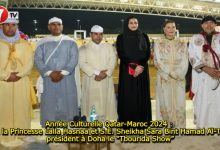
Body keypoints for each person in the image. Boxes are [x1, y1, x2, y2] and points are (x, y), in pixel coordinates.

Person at [34, 17, 79, 127]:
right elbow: (37, 59)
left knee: (68, 102)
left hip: (66, 78)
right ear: (49, 27)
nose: (56, 27)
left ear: (62, 26)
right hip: (49, 79)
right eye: (53, 24)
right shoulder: (42, 43)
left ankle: (69, 125)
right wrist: (49, 73)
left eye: (58, 24)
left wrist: (63, 72)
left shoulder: (71, 42)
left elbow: (74, 58)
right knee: (50, 103)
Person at [0, 18, 33, 142]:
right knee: (2, 109)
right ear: (2, 26)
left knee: (22, 108)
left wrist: (19, 74)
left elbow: (30, 63)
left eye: (13, 25)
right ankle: (4, 134)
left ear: (17, 27)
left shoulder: (25, 45)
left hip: (21, 81)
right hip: (2, 83)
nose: (10, 28)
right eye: (7, 25)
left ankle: (22, 133)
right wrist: (6, 76)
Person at [116, 16, 152, 123]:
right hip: (127, 70)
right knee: (129, 95)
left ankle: (142, 122)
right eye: (131, 23)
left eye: (135, 23)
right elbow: (121, 54)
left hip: (142, 70)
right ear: (127, 24)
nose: (133, 25)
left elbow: (147, 52)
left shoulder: (144, 36)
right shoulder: (121, 37)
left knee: (141, 95)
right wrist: (134, 66)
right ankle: (128, 122)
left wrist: (140, 66)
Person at [154, 19, 188, 128]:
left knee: (179, 101)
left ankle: (179, 126)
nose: (171, 29)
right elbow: (158, 60)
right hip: (165, 77)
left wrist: (178, 73)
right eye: (168, 27)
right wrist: (170, 72)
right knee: (165, 101)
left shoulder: (182, 42)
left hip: (179, 78)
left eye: (173, 27)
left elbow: (185, 60)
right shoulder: (158, 42)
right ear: (164, 29)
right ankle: (166, 127)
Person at [79, 25, 117, 121]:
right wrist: (97, 73)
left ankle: (105, 123)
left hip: (106, 80)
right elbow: (82, 64)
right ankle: (93, 123)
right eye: (95, 34)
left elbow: (113, 61)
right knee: (92, 103)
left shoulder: (109, 47)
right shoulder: (84, 48)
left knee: (106, 102)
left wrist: (105, 73)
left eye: (100, 34)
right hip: (91, 79)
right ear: (90, 35)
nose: (98, 36)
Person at [188, 16, 220, 128]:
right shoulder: (195, 38)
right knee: (203, 102)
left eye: (212, 23)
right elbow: (192, 56)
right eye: (206, 23)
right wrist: (206, 69)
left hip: (218, 76)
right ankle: (202, 129)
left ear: (215, 25)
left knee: (218, 103)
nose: (209, 25)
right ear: (202, 25)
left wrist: (218, 72)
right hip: (202, 76)